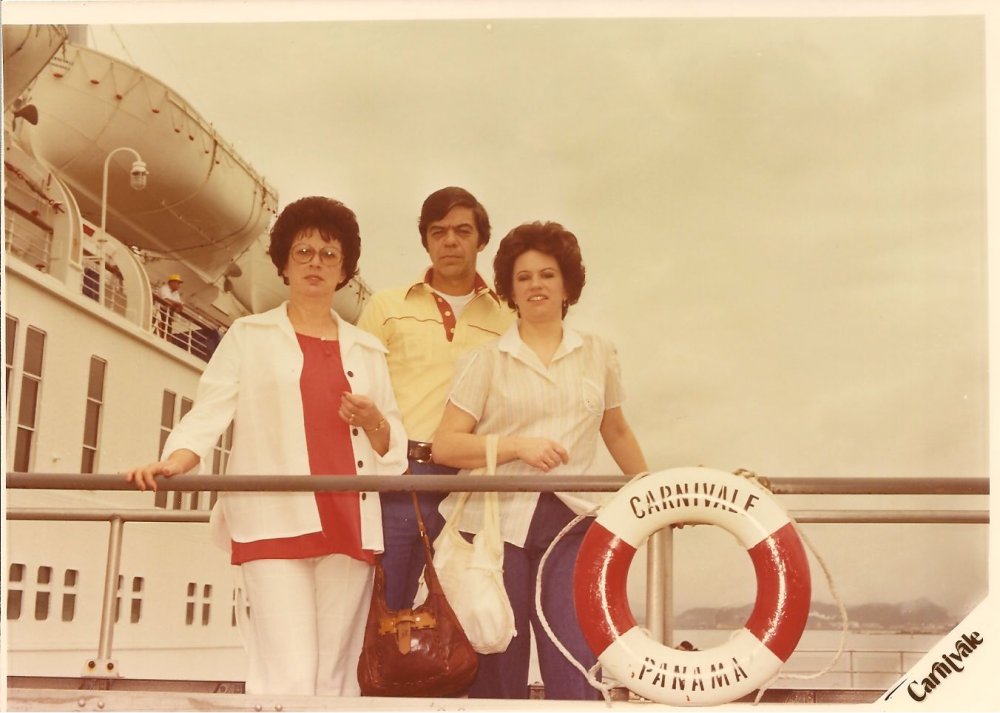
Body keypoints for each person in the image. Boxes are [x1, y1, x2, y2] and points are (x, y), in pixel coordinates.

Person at [126, 196, 408, 696]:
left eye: (328, 253)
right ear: (283, 262)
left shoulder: (367, 350)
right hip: (272, 518)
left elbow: (394, 449)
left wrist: (373, 420)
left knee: (335, 680)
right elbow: (211, 410)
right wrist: (177, 458)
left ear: (344, 268)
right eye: (303, 252)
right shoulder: (248, 335)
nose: (315, 263)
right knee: (287, 675)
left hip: (348, 518)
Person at [431, 221, 649, 700]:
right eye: (524, 277)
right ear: (510, 288)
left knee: (575, 663)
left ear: (567, 285)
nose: (536, 286)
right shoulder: (484, 360)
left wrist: (656, 495)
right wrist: (516, 445)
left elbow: (616, 430)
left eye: (547, 275)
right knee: (497, 669)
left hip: (571, 524)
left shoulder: (599, 353)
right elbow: (445, 445)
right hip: (493, 529)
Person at [356, 186, 513, 612]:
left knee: (467, 608)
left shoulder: (508, 317)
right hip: (403, 474)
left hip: (477, 481)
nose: (450, 241)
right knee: (390, 607)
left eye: (463, 231)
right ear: (425, 239)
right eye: (438, 231)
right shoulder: (386, 306)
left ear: (482, 240)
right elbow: (358, 390)